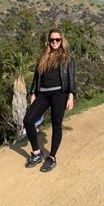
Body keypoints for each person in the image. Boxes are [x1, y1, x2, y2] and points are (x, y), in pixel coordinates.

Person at [23, 28, 76, 172]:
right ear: (48, 41)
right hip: (43, 95)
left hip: (59, 94)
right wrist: (33, 93)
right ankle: (37, 153)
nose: (54, 42)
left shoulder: (67, 59)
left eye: (57, 40)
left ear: (62, 40)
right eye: (52, 40)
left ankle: (52, 157)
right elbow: (36, 77)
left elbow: (71, 79)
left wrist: (70, 96)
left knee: (56, 123)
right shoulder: (43, 57)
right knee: (28, 120)